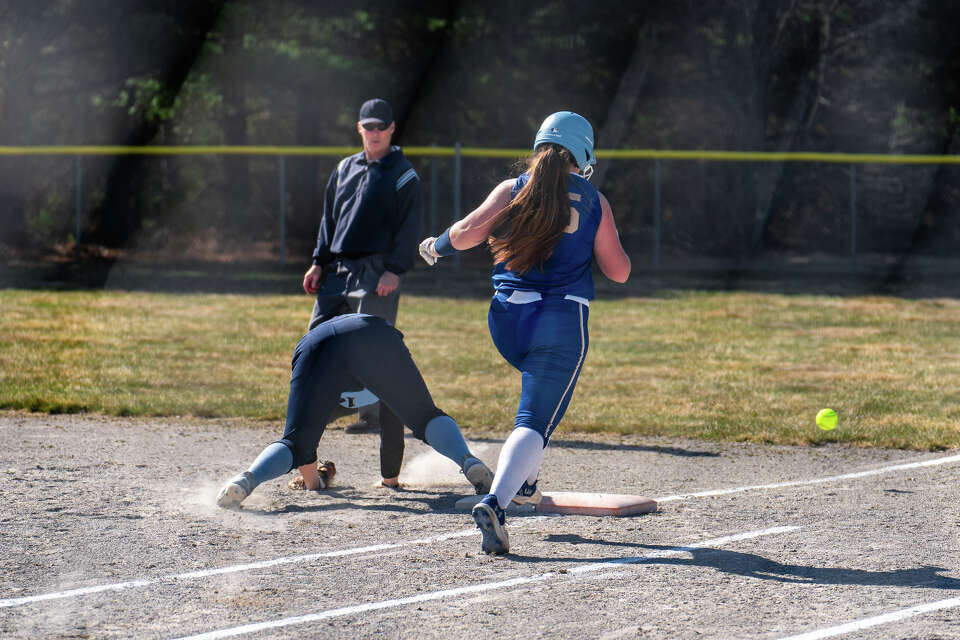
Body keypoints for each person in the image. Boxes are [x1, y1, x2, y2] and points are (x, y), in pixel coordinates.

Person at [419, 111, 631, 554]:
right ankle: (497, 503)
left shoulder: (513, 188)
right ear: (584, 153)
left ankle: (528, 478)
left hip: (507, 321)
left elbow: (464, 235)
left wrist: (435, 246)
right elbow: (619, 272)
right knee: (533, 421)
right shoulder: (593, 198)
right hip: (559, 320)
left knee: (536, 402)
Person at [216, 314, 493, 508]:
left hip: (315, 346)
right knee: (424, 415)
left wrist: (314, 484)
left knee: (295, 439)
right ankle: (468, 462)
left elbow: (303, 443)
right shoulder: (371, 373)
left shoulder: (330, 393)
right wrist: (390, 480)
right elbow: (392, 423)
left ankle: (246, 480)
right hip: (377, 334)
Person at [302, 98, 422, 438]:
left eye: (381, 126)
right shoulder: (344, 169)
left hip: (377, 269)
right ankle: (317, 406)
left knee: (372, 345)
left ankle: (372, 416)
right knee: (316, 340)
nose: (375, 132)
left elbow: (410, 227)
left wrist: (395, 269)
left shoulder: (403, 174)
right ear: (359, 128)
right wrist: (318, 262)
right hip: (337, 269)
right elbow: (329, 219)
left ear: (392, 129)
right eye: (369, 126)